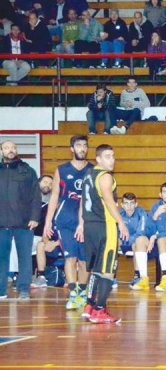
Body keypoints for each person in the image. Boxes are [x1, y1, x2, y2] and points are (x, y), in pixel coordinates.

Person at [77, 144, 129, 324]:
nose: (112, 160)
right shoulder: (105, 176)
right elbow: (108, 201)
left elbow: (83, 202)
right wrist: (121, 222)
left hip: (90, 225)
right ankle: (99, 310)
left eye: (113, 156)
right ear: (98, 159)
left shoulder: (88, 175)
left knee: (96, 269)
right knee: (107, 270)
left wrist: (81, 223)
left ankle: (89, 306)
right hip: (105, 226)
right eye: (107, 156)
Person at [43, 135, 92, 309]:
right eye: (78, 145)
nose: (82, 148)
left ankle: (82, 293)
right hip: (65, 220)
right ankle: (73, 294)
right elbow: (54, 196)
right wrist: (48, 222)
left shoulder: (93, 170)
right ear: (72, 148)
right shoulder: (62, 170)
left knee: (84, 260)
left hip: (87, 222)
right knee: (70, 257)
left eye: (85, 145)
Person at [0, 140, 40, 300]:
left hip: (24, 223)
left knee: (25, 258)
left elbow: (36, 195)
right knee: (1, 258)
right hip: (1, 224)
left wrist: (35, 217)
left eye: (13, 147)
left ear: (16, 150)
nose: (10, 150)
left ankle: (24, 289)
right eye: (6, 148)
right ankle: (1, 291)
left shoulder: (27, 171)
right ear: (1, 151)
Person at [119, 192, 154, 291]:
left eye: (131, 203)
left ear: (136, 204)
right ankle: (111, 277)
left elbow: (140, 232)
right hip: (124, 241)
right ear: (122, 205)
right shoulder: (119, 214)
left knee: (138, 242)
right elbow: (116, 231)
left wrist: (125, 241)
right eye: (126, 203)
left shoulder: (141, 213)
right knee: (111, 242)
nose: (129, 206)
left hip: (139, 241)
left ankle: (138, 276)